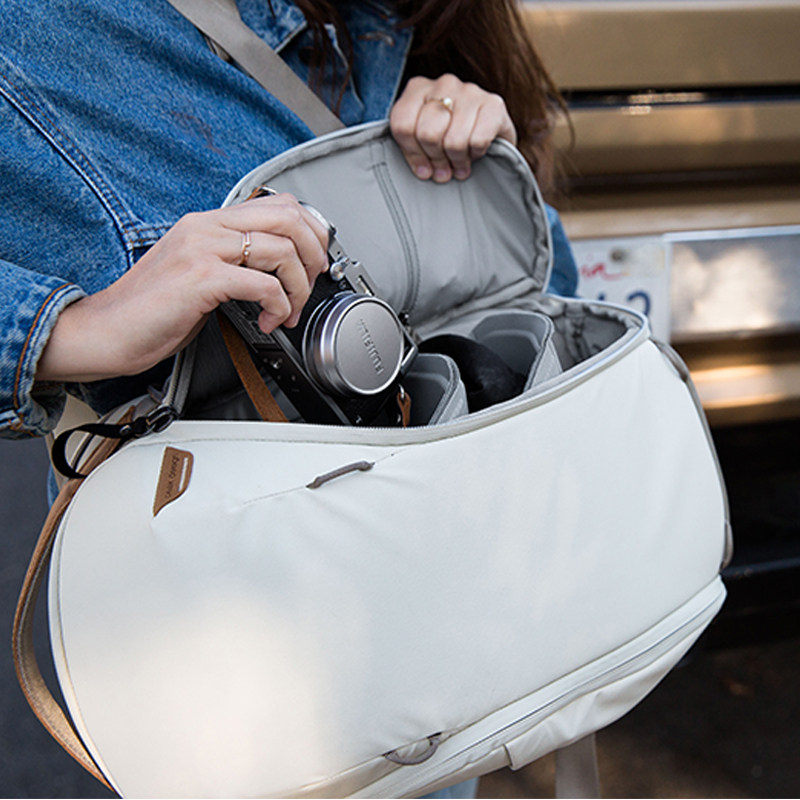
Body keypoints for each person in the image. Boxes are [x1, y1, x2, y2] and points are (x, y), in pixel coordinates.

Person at [0, 0, 575, 796]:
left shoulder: (387, 15)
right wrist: (68, 330)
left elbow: (547, 297)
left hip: (441, 593)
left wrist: (478, 175)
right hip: (237, 621)